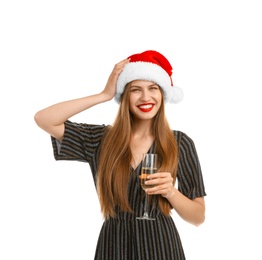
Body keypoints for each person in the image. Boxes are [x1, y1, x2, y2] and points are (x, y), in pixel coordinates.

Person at [34, 50, 206, 259]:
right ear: (124, 95)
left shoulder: (180, 143)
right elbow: (44, 119)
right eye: (136, 89)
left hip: (161, 245)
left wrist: (171, 192)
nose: (145, 97)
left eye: (153, 88)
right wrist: (103, 95)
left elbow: (198, 217)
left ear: (163, 93)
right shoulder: (101, 139)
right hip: (114, 245)